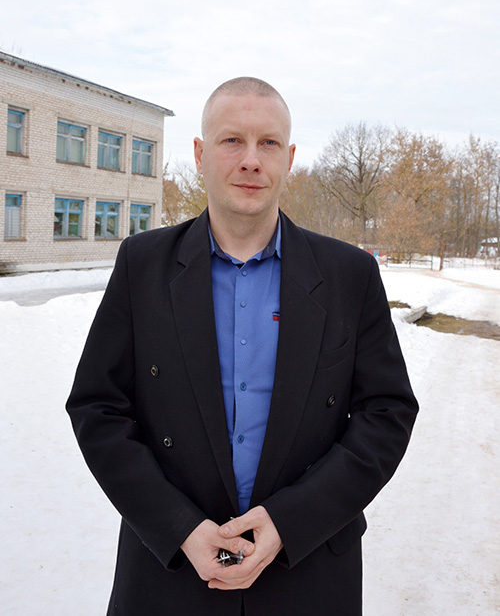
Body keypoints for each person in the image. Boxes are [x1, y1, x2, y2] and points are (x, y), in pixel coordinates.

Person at [66, 77, 418, 615]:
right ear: (200, 154)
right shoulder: (142, 265)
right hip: (171, 574)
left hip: (309, 572)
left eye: (268, 143)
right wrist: (178, 527)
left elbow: (387, 414)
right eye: (232, 140)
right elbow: (97, 407)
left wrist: (291, 522)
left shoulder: (350, 275)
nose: (251, 160)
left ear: (289, 159)